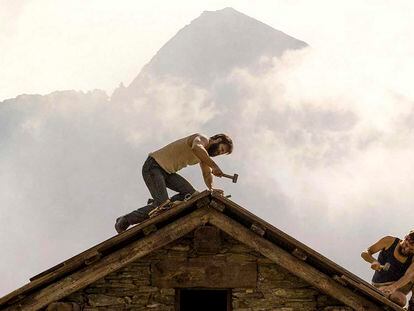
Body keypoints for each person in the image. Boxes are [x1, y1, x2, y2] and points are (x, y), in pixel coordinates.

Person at [115, 133, 233, 233]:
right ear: (218, 140)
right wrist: (215, 166)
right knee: (162, 207)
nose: (218, 153)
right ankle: (126, 219)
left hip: (167, 173)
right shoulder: (202, 139)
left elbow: (207, 174)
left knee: (192, 195)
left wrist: (212, 189)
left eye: (221, 153)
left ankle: (163, 202)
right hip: (153, 166)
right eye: (221, 149)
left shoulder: (204, 156)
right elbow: (196, 147)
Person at [361, 230, 414, 308]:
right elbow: (365, 253)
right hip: (381, 284)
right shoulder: (389, 241)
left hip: (399, 285)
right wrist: (373, 261)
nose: (406, 250)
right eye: (406, 245)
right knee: (400, 300)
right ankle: (382, 293)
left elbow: (408, 276)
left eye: (411, 250)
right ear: (406, 238)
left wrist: (394, 287)